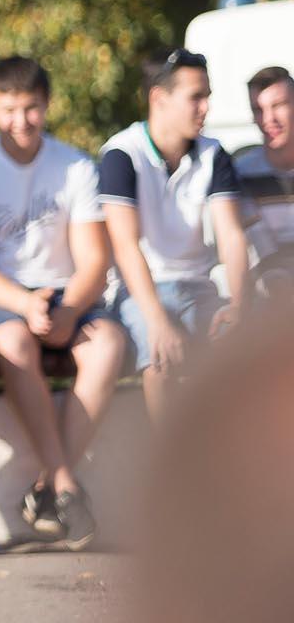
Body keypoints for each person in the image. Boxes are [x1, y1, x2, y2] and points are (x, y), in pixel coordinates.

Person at [0, 57, 130, 551]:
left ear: (46, 105)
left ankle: (52, 484)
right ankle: (67, 485)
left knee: (109, 344)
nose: (21, 121)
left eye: (31, 109)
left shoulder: (74, 165)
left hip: (66, 294)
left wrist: (69, 309)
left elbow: (95, 259)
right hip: (4, 297)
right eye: (9, 110)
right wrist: (26, 305)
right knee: (12, 342)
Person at [98, 47, 252, 421]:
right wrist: (157, 321)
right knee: (162, 356)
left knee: (245, 354)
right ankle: (176, 479)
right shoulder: (121, 153)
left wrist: (239, 306)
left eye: (207, 97)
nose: (206, 108)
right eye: (196, 97)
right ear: (159, 98)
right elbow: (124, 245)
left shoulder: (214, 153)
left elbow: (232, 236)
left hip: (199, 288)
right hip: (139, 291)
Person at [236, 65, 294, 283]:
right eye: (258, 110)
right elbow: (262, 252)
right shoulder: (240, 173)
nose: (269, 119)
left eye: (278, 105)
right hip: (269, 283)